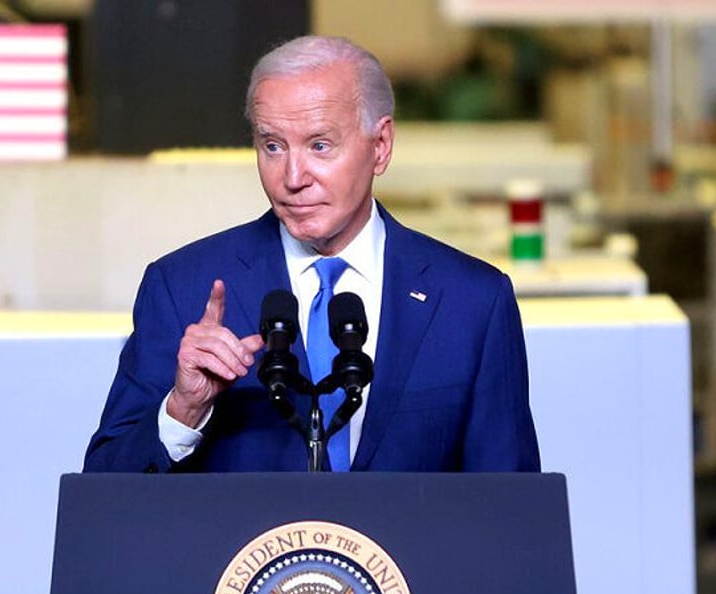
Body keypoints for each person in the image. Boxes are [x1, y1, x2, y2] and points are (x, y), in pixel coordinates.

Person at [84, 35, 540, 473]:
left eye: (320, 145)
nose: (293, 176)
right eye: (272, 146)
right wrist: (183, 410)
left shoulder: (472, 302)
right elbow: (105, 497)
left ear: (380, 146)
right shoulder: (182, 288)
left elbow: (512, 515)